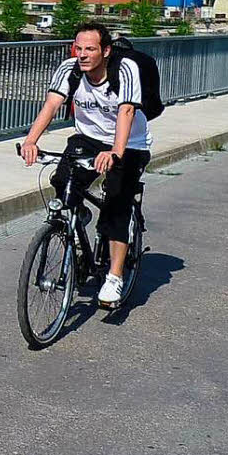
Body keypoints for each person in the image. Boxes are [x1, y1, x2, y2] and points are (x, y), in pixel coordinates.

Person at [20, 22, 152, 307]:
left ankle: (114, 277)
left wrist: (116, 153)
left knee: (117, 201)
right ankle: (76, 214)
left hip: (129, 142)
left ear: (105, 51)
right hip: (89, 138)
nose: (82, 54)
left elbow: (127, 110)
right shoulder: (69, 70)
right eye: (78, 48)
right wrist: (30, 141)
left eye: (90, 49)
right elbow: (52, 105)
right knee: (62, 179)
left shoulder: (125, 69)